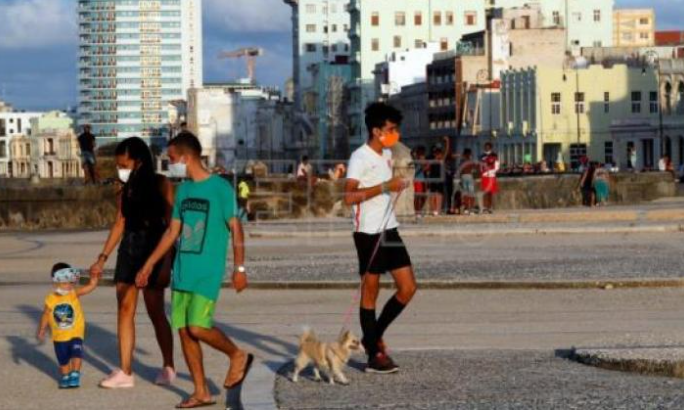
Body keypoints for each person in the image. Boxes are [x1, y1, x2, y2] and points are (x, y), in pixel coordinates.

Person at [136, 132, 252, 408]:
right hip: (182, 272)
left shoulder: (220, 188)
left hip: (206, 272)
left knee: (198, 327)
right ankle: (201, 392)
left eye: (172, 157)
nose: (170, 162)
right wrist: (149, 263)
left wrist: (239, 267)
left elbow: (236, 228)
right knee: (185, 332)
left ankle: (238, 355)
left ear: (186, 157)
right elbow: (172, 232)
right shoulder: (183, 191)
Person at [89, 137, 176, 389]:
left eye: (123, 163)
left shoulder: (162, 183)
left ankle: (168, 364)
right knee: (124, 308)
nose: (120, 169)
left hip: (153, 246)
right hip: (129, 247)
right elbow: (120, 222)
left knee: (155, 309)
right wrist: (102, 257)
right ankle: (125, 371)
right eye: (118, 165)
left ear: (138, 160)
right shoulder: (124, 188)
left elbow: (171, 225)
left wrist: (159, 259)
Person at [344, 102, 417, 374]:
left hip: (390, 228)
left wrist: (394, 185)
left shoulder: (386, 154)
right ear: (376, 130)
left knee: (408, 287)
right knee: (370, 292)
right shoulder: (359, 157)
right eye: (390, 129)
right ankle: (374, 354)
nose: (394, 133)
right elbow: (349, 196)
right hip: (368, 232)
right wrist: (386, 186)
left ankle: (372, 336)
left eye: (396, 129)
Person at [37, 263, 99, 389]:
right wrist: (42, 328)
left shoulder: (73, 293)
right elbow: (46, 314)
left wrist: (94, 278)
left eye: (71, 282)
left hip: (75, 332)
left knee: (77, 353)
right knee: (63, 360)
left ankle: (75, 374)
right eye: (65, 283)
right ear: (56, 282)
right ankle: (66, 376)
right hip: (59, 336)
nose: (69, 286)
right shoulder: (51, 298)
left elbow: (90, 287)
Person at [480, 142, 500, 214]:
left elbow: (497, 166)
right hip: (485, 175)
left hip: (491, 176)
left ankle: (490, 207)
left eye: (488, 147)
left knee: (490, 192)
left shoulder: (494, 155)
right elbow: (481, 165)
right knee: (485, 192)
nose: (486, 148)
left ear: (490, 147)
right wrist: (483, 172)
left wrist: (491, 172)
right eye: (485, 147)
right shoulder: (482, 156)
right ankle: (485, 207)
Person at [458, 149, 478, 216]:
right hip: (469, 176)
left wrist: (460, 179)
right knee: (471, 194)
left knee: (466, 194)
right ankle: (470, 209)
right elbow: (475, 168)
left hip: (464, 177)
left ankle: (467, 209)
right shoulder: (470, 161)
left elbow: (460, 171)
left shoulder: (462, 161)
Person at [412, 146, 428, 216]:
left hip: (422, 179)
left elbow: (426, 167)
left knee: (423, 196)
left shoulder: (422, 159)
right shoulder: (415, 159)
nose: (422, 154)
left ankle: (419, 210)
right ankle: (417, 211)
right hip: (417, 180)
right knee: (418, 196)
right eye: (421, 152)